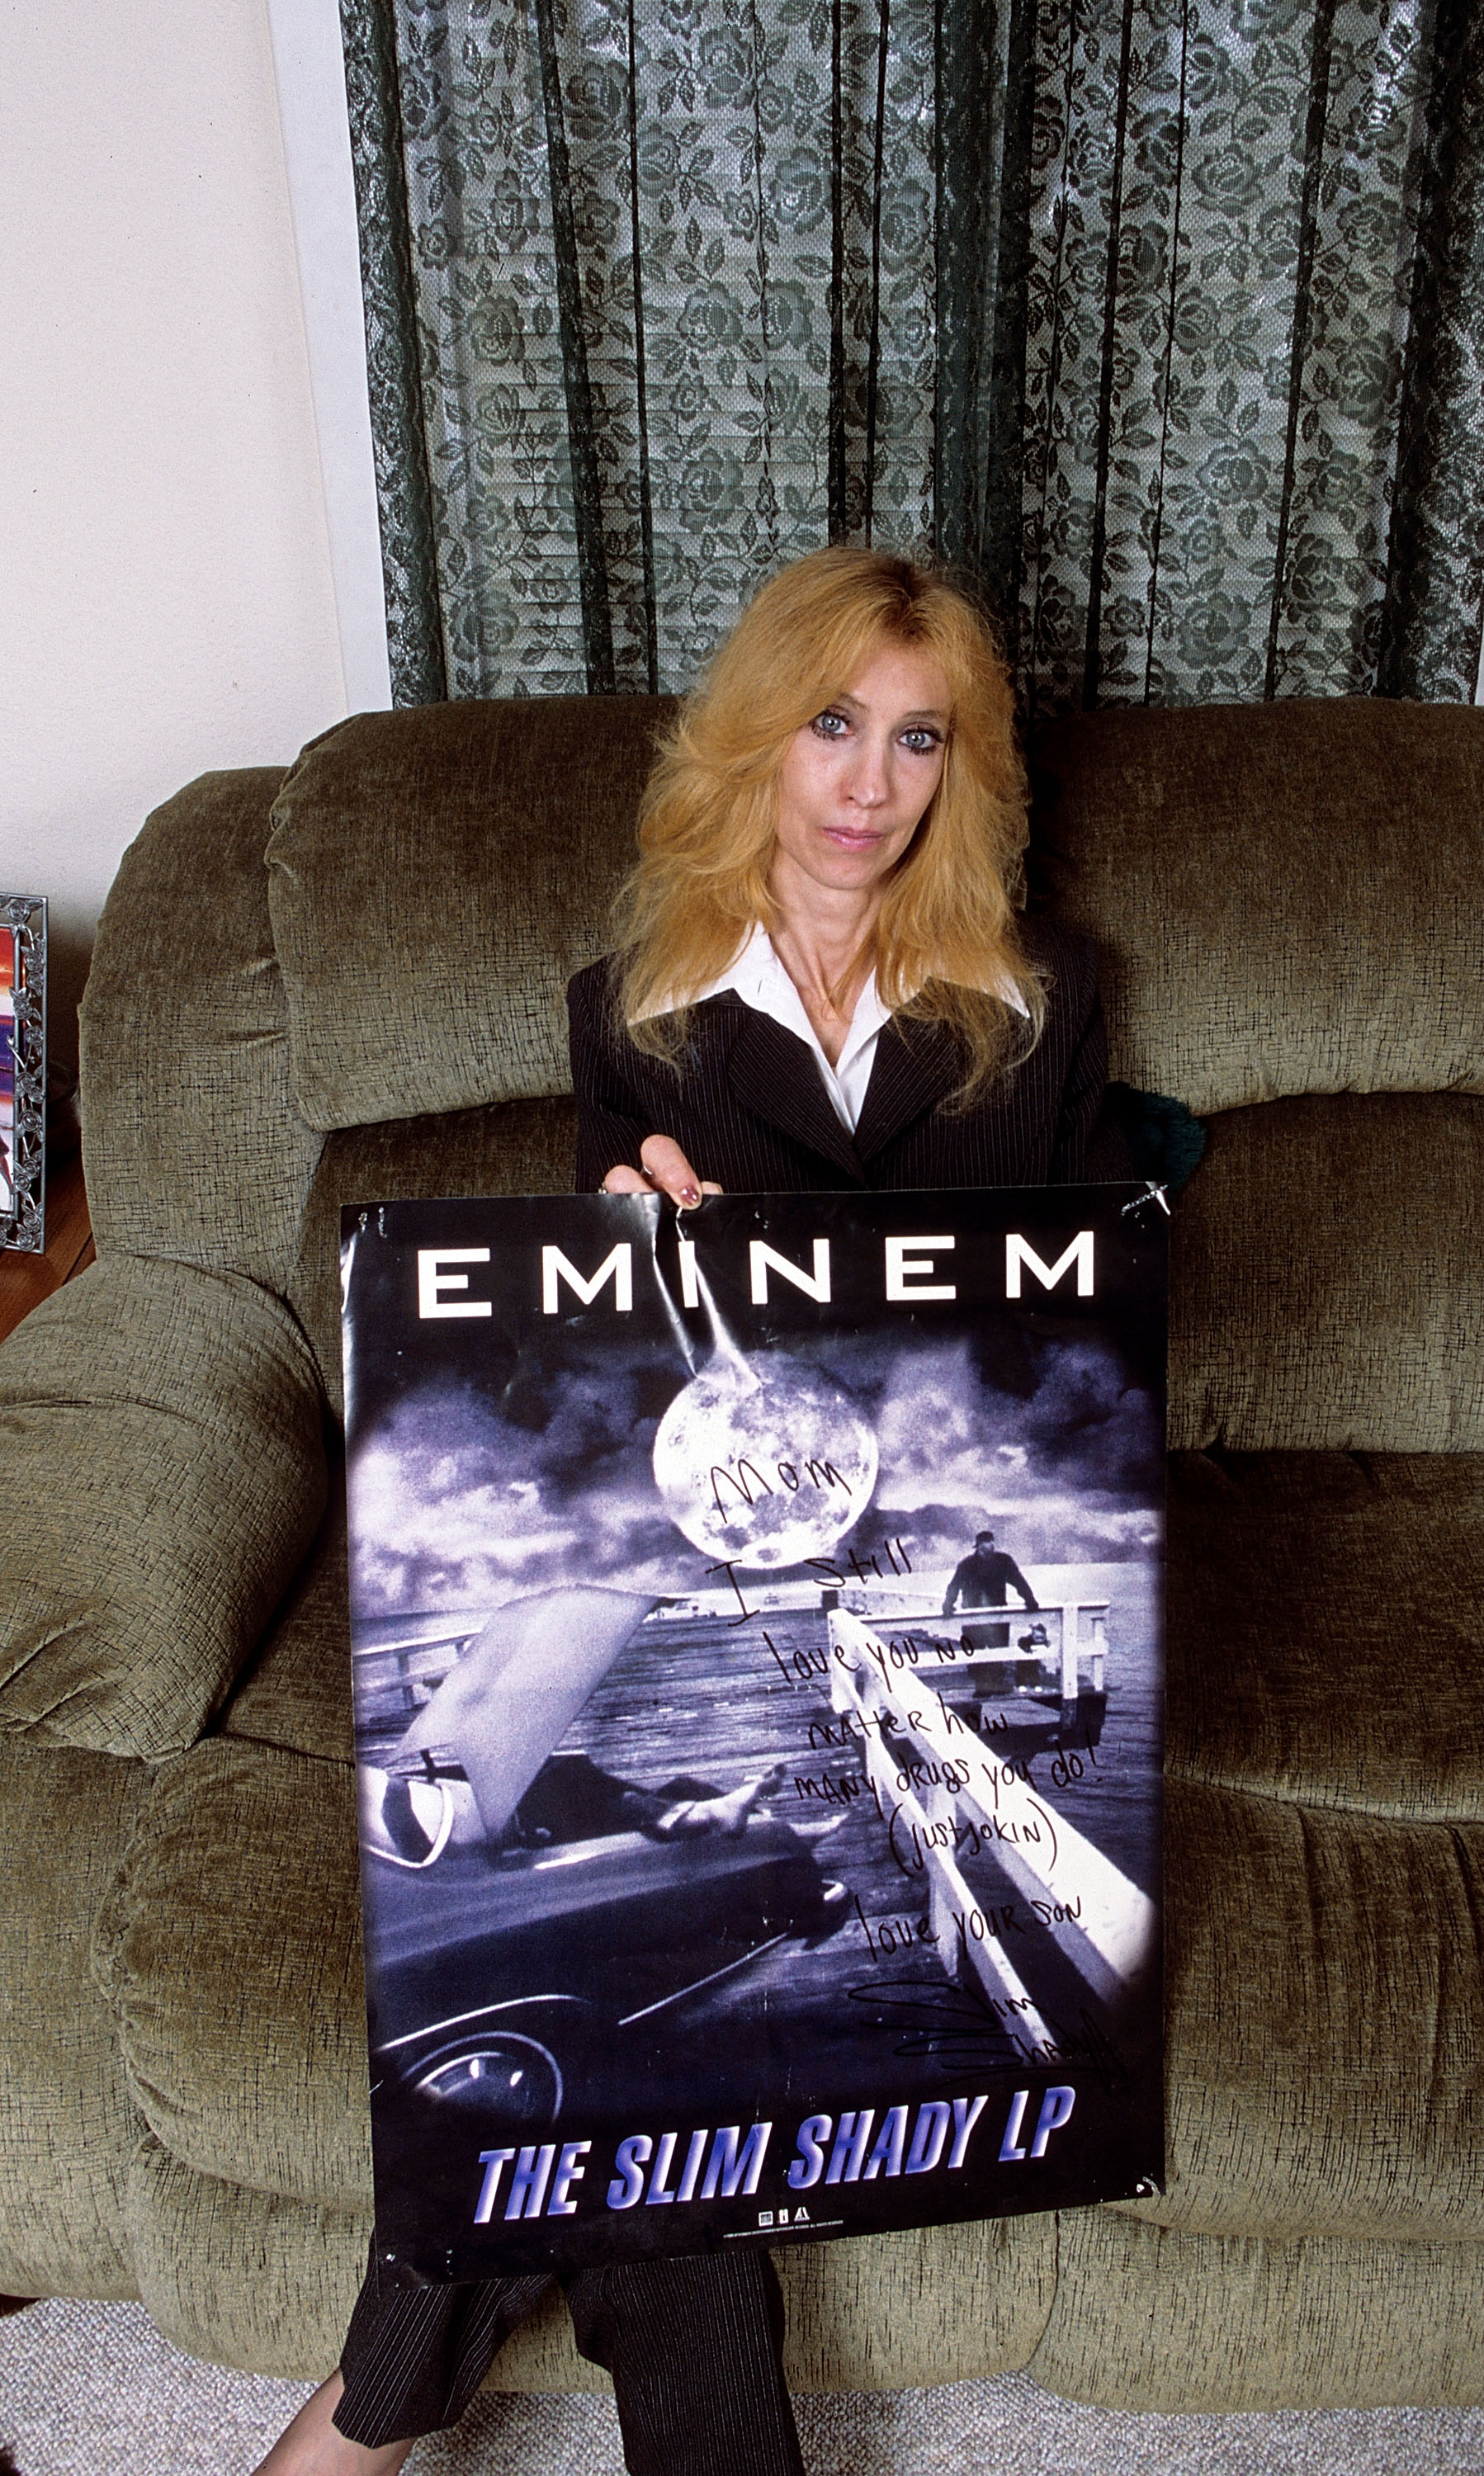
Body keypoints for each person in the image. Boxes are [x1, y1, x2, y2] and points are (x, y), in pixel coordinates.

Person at [256, 545, 1136, 2476]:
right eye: (831, 724)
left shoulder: (1039, 1004)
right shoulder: (632, 1014)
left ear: (964, 769)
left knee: (633, 2041)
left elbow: (1057, 1352)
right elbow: (612, 1379)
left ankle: (361, 2418)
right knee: (655, 2034)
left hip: (897, 1533)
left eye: (919, 737)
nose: (869, 783)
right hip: (703, 1530)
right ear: (758, 739)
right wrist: (627, 1259)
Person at [943, 1526, 1041, 1651]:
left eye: (989, 1543)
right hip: (973, 1621)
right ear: (978, 1547)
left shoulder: (1003, 1561)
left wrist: (1030, 1599)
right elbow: (954, 1586)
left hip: (998, 1620)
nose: (988, 1547)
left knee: (998, 1656)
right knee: (975, 1657)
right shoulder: (967, 1565)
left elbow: (1019, 1581)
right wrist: (948, 1604)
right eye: (985, 1544)